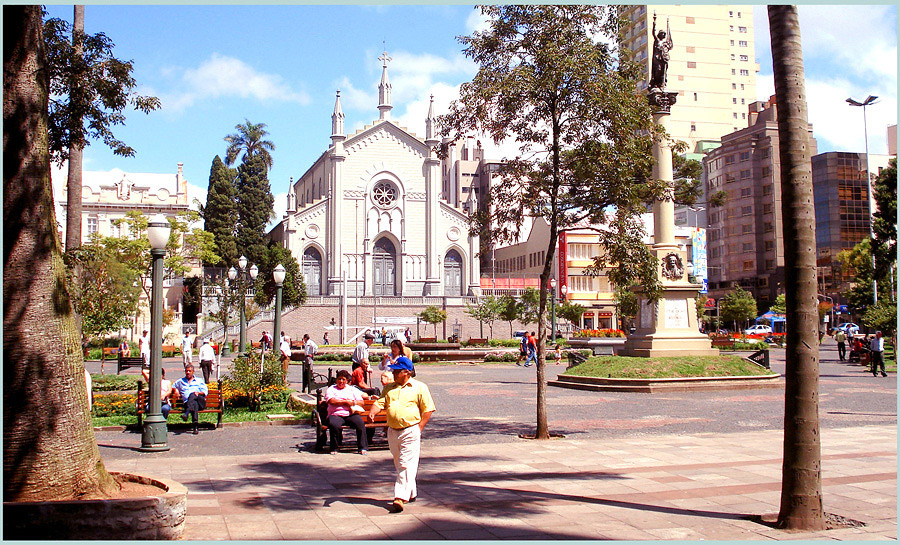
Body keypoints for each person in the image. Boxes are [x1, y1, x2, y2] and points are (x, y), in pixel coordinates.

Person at [367, 356, 435, 513]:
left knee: (405, 463)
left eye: (397, 371)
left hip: (410, 430)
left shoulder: (419, 387)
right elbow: (380, 403)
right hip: (392, 431)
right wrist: (373, 411)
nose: (394, 374)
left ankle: (399, 497)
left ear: (406, 372)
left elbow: (428, 409)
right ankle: (411, 492)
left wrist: (420, 427)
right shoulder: (389, 388)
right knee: (400, 463)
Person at [324, 370, 371, 455]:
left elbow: (361, 402)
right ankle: (334, 448)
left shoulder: (352, 389)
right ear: (336, 380)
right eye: (339, 379)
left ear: (346, 381)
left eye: (343, 379)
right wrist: (345, 402)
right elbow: (331, 401)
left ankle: (363, 447)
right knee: (334, 425)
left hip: (350, 414)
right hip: (336, 414)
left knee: (360, 423)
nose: (341, 381)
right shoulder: (331, 389)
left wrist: (353, 402)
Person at [172, 364, 208, 434]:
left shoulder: (199, 380)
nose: (188, 372)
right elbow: (172, 386)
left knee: (192, 394)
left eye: (189, 371)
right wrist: (175, 390)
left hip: (200, 402)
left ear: (193, 372)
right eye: (186, 371)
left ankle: (187, 413)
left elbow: (205, 392)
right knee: (194, 404)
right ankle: (195, 427)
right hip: (188, 404)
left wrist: (198, 393)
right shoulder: (180, 381)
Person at [649, 13, 673, 90]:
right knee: (657, 70)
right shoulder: (657, 40)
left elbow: (668, 48)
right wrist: (654, 23)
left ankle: (662, 84)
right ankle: (656, 83)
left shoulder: (665, 43)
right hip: (657, 58)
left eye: (664, 34)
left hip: (663, 59)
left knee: (663, 71)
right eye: (662, 33)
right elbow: (653, 33)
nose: (663, 34)